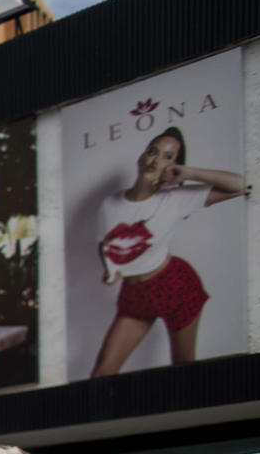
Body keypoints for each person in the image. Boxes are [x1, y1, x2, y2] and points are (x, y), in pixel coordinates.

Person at [89, 126, 244, 376]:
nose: (157, 159)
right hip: (133, 296)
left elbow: (241, 184)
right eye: (153, 151)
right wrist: (111, 271)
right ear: (141, 157)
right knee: (101, 375)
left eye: (168, 157)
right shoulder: (110, 204)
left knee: (183, 370)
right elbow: (103, 244)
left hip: (175, 286)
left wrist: (188, 173)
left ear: (174, 166)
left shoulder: (176, 198)